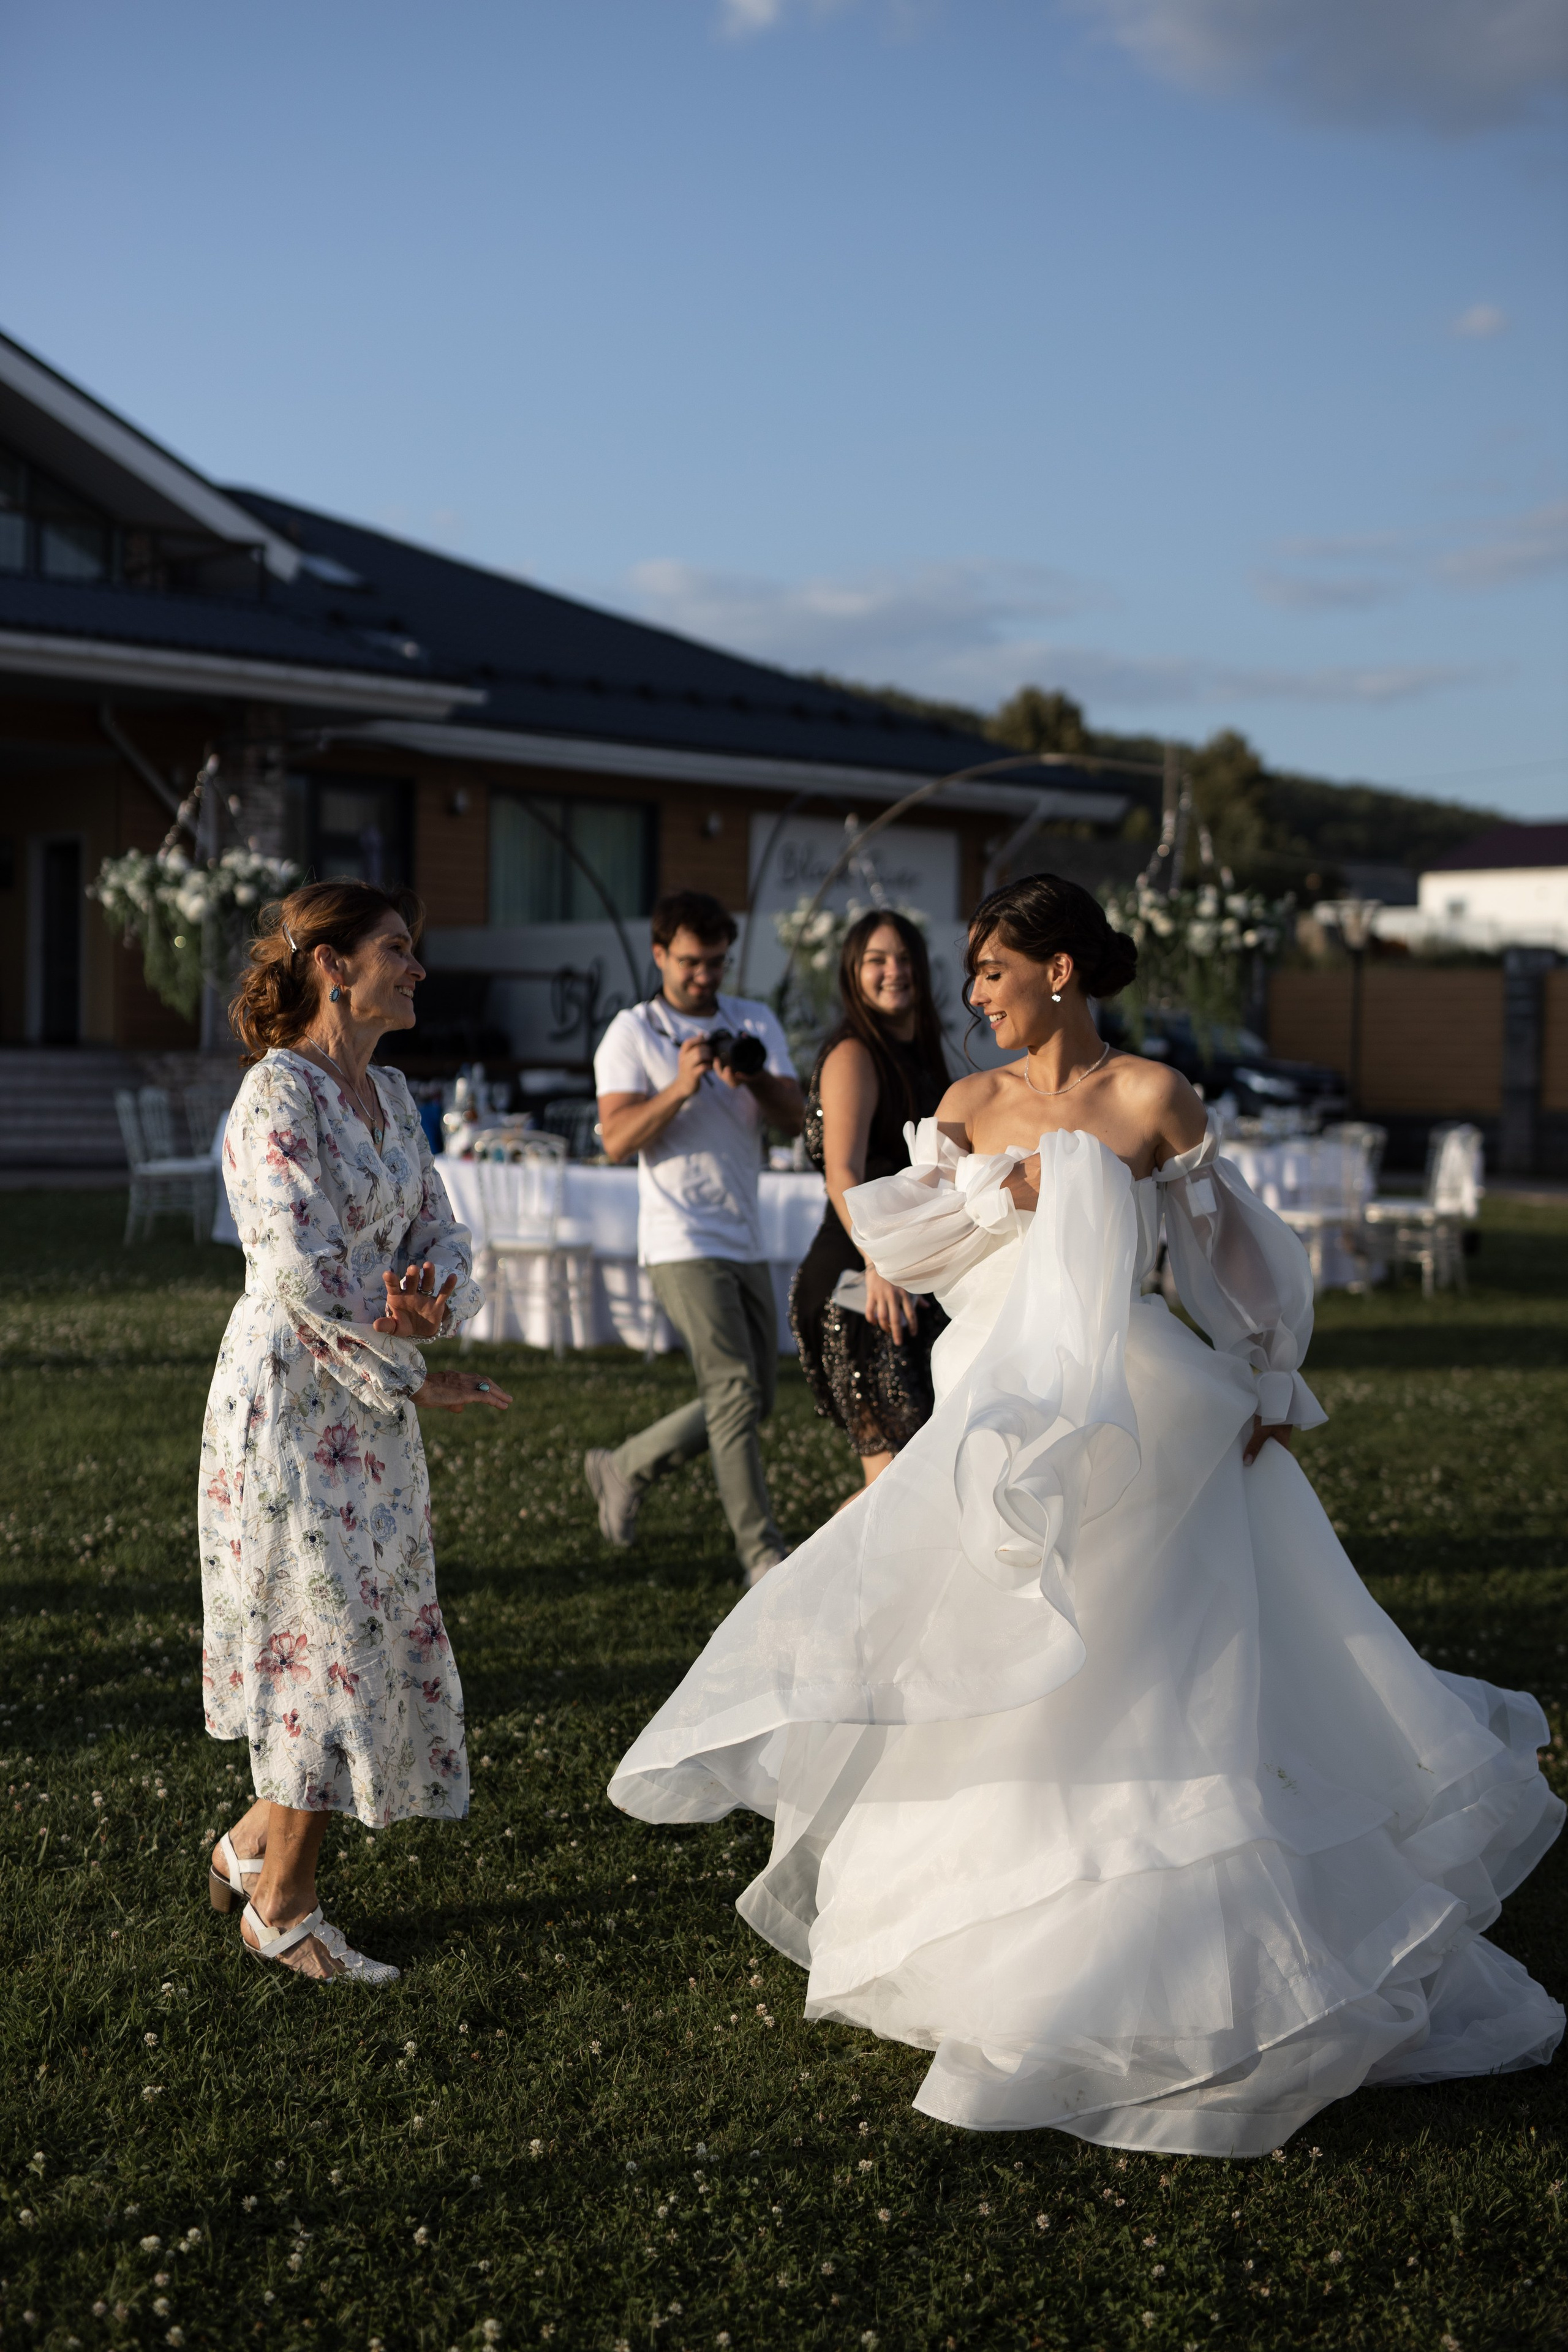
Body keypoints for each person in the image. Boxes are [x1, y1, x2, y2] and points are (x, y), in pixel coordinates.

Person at [609, 871, 1564, 2154]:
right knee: (1002, 1660)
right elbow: (899, 1246)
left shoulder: (1150, 1100)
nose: (974, 997)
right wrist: (996, 1195)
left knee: (1152, 1663)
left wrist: (1268, 1369)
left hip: (1138, 1406)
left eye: (991, 974)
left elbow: (1231, 1254)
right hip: (990, 1409)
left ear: (1056, 970)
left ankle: (1191, 1954)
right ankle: (1001, 1942)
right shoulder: (961, 1105)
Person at [199, 879, 511, 1983]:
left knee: (362, 1633)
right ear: (332, 965)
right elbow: (298, 1265)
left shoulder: (389, 1090)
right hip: (292, 1403)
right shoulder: (274, 1098)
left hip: (368, 1410)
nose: (416, 969)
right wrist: (407, 1351)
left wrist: (434, 1305)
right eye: (395, 950)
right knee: (318, 1644)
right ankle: (281, 1909)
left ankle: (249, 1845)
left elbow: (445, 1230)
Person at [585, 889, 805, 1585]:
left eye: (715, 963)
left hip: (746, 1232)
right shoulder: (632, 1031)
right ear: (660, 955)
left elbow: (798, 1119)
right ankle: (761, 1555)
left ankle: (623, 1467)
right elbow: (617, 1139)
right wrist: (681, 1085)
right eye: (689, 962)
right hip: (679, 1236)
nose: (704, 976)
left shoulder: (754, 1021)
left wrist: (754, 1077)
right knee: (735, 1388)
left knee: (755, 1397)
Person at [790, 910, 949, 1497]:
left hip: (907, 1278)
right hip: (861, 1283)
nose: (893, 972)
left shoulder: (922, 1053)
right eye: (876, 960)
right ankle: (805, 1590)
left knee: (916, 1480)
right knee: (893, 1488)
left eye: (904, 958)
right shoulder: (855, 1053)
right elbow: (844, 1174)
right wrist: (879, 1262)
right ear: (852, 973)